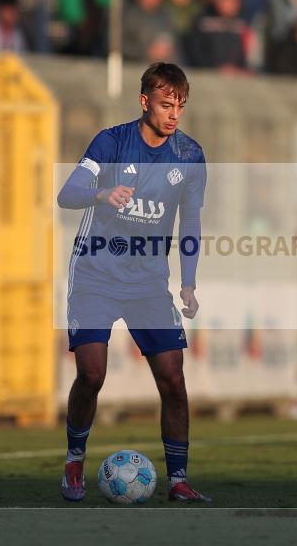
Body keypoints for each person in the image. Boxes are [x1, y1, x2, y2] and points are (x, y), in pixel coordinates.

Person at [56, 62, 209, 503]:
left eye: (180, 105)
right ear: (145, 102)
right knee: (92, 373)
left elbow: (191, 221)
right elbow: (67, 194)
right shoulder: (111, 142)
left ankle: (178, 479)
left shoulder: (190, 156)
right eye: (166, 104)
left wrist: (189, 283)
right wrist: (101, 193)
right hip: (95, 274)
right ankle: (73, 459)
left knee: (173, 379)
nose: (174, 114)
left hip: (147, 284)